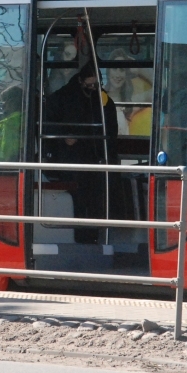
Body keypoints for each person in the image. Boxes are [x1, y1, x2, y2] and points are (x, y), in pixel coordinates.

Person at [44, 63, 119, 242]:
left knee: (96, 199)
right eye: (89, 85)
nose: (93, 89)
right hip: (71, 157)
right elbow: (48, 125)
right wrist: (63, 137)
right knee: (78, 198)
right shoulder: (62, 98)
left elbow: (111, 128)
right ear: (80, 80)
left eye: (96, 85)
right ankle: (78, 235)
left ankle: (93, 235)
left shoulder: (103, 100)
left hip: (95, 156)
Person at [0, 84, 23, 162]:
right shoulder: (22, 119)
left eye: (3, 102)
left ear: (12, 102)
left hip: (1, 169)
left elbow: (3, 154)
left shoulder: (8, 125)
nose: (2, 106)